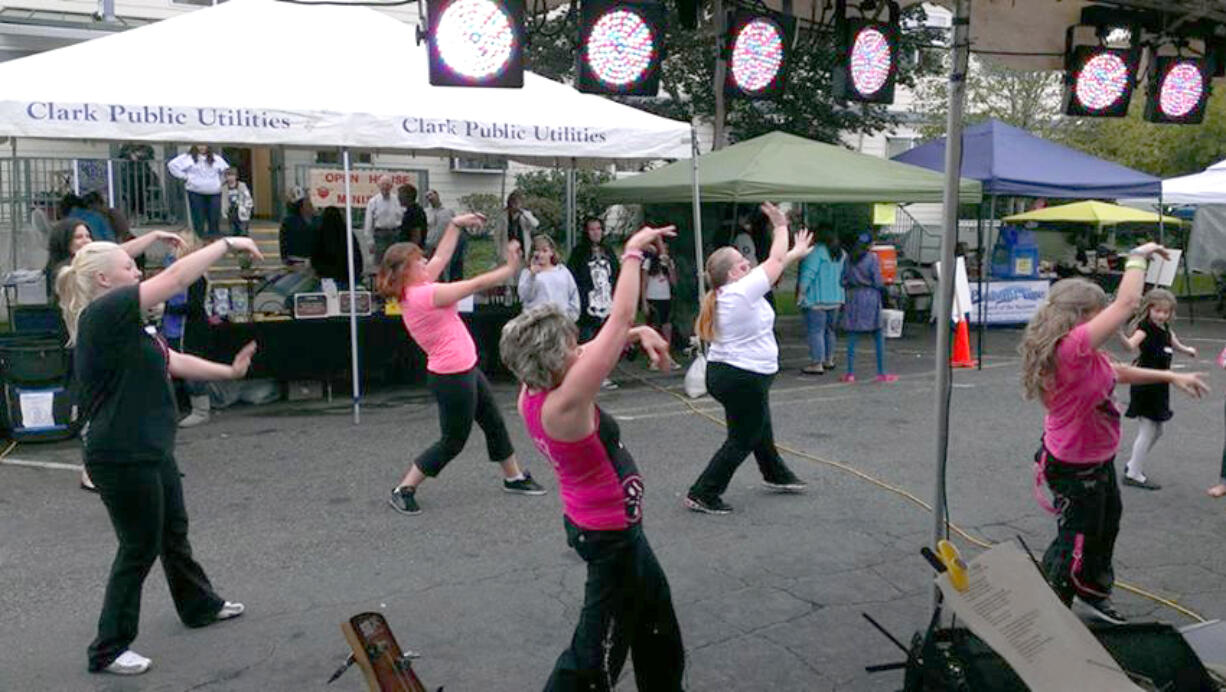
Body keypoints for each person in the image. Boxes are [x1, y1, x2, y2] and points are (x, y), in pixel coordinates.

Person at [57, 235, 263, 675]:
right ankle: (107, 649)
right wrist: (226, 243)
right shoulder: (104, 313)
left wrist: (228, 373)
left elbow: (173, 360)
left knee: (172, 532)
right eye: (129, 269)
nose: (137, 274)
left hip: (150, 446)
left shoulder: (132, 324)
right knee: (138, 547)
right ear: (103, 280)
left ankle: (198, 606)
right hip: (120, 454)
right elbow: (175, 278)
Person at [499, 223, 685, 691]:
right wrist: (632, 254)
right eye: (567, 347)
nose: (576, 349)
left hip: (615, 532)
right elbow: (614, 325)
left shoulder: (536, 386)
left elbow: (599, 343)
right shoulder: (563, 405)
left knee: (656, 622)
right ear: (553, 360)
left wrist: (640, 330)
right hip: (609, 540)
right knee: (593, 655)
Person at [1020, 244, 1207, 623]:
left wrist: (1172, 375)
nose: (1106, 317)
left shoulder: (1087, 354)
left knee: (1105, 527)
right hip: (1075, 466)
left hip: (1096, 459)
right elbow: (1126, 304)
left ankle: (1090, 593)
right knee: (1078, 536)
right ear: (1083, 316)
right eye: (1098, 312)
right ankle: (1051, 607)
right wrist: (1138, 257)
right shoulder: (1071, 347)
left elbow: (1118, 373)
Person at [376, 213, 544, 516]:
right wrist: (509, 267)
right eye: (419, 261)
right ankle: (404, 488)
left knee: (493, 423)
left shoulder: (417, 285)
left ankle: (514, 477)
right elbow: (475, 284)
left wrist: (455, 224)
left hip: (465, 369)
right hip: (451, 376)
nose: (426, 262)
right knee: (452, 441)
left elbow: (442, 255)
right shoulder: (424, 295)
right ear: (406, 270)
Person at [685, 203, 813, 515]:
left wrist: (795, 251)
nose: (748, 265)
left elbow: (777, 263)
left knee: (758, 425)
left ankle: (775, 473)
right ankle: (703, 492)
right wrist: (780, 225)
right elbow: (775, 259)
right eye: (743, 263)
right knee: (743, 437)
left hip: (733, 375)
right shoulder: (740, 292)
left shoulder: (732, 289)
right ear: (732, 273)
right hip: (741, 377)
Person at [46, 220, 185, 491]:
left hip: (112, 347)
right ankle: (92, 468)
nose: (85, 241)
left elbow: (119, 253)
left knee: (132, 406)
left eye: (87, 235)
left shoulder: (98, 267)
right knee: (97, 411)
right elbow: (120, 253)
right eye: (78, 238)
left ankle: (154, 461)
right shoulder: (67, 271)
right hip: (88, 351)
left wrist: (154, 235)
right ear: (65, 243)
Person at [1121, 288, 1196, 490]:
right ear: (1149, 310)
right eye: (1158, 311)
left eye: (1166, 312)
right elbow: (1130, 345)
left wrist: (1187, 350)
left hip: (1160, 384)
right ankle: (1133, 473)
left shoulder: (1164, 328)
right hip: (1145, 383)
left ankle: (1133, 465)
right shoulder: (1144, 328)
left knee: (1158, 430)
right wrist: (1117, 332)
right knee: (1148, 429)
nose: (1162, 315)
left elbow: (1173, 341)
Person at [159, 237, 213, 428]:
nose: (170, 252)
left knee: (192, 369)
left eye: (175, 247)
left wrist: (166, 310)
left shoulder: (195, 276)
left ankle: (200, 410)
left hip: (190, 329)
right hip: (175, 328)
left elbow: (195, 306)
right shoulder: (176, 273)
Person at [568, 217, 620, 390]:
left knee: (605, 342)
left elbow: (617, 274)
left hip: (607, 302)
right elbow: (573, 278)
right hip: (587, 305)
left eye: (598, 228)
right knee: (587, 342)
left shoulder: (608, 250)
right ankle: (585, 377)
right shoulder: (579, 253)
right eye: (592, 229)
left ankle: (602, 375)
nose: (596, 232)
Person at [840, 233, 896, 383]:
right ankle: (881, 372)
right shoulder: (872, 258)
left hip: (853, 297)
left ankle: (850, 373)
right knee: (878, 334)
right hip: (870, 296)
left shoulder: (849, 259)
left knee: (852, 336)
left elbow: (842, 280)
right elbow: (877, 281)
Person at [797, 230, 845, 375]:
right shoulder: (841, 253)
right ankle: (828, 360)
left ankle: (817, 363)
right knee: (830, 330)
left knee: (816, 331)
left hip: (816, 300)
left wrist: (801, 294)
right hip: (836, 299)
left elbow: (808, 275)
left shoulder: (815, 252)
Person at [167, 145, 228, 238]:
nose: (202, 147)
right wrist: (185, 177)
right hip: (195, 192)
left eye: (204, 145)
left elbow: (226, 170)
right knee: (198, 220)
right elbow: (172, 165)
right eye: (199, 145)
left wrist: (220, 182)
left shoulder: (216, 158)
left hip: (214, 192)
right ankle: (198, 243)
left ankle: (214, 243)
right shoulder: (187, 158)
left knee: (214, 219)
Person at [518, 234, 579, 321]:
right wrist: (532, 276)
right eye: (537, 251)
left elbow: (573, 295)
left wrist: (570, 318)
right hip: (536, 323)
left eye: (544, 251)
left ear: (551, 252)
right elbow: (525, 296)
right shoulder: (527, 272)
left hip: (560, 322)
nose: (541, 254)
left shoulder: (563, 271)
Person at [640, 235, 680, 368]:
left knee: (667, 327)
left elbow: (674, 282)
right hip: (652, 297)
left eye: (666, 248)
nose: (664, 250)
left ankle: (667, 356)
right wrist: (644, 301)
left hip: (666, 297)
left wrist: (669, 267)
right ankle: (654, 358)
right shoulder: (649, 261)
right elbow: (644, 282)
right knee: (654, 328)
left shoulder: (669, 262)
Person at [312, 207, 364, 287]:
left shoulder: (320, 235)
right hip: (348, 277)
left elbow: (315, 259)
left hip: (326, 279)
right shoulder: (348, 234)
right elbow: (357, 257)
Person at [363, 175, 403, 267]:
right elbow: (368, 223)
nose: (385, 187)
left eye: (387, 184)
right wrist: (370, 241)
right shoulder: (373, 201)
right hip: (380, 235)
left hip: (396, 234)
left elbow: (402, 217)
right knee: (381, 263)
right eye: (383, 184)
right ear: (379, 186)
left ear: (391, 186)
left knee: (396, 262)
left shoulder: (397, 200)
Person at [279, 186, 317, 265]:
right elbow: (283, 241)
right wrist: (285, 258)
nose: (312, 206)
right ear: (301, 206)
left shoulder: (317, 220)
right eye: (308, 204)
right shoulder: (289, 222)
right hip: (295, 260)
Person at [219, 169, 253, 237]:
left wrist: (247, 208)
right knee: (233, 230)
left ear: (236, 176)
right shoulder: (224, 188)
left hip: (241, 210)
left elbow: (247, 197)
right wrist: (224, 212)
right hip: (231, 211)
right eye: (228, 175)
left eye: (232, 175)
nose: (230, 178)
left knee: (243, 230)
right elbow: (223, 200)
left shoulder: (242, 185)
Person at [505, 190, 539, 257]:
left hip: (522, 247)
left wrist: (525, 214)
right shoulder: (504, 216)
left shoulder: (525, 214)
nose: (515, 205)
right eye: (514, 203)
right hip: (509, 246)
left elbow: (536, 224)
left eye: (518, 203)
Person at [398, 183, 428, 249]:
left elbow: (416, 234)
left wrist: (411, 250)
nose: (398, 198)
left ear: (408, 196)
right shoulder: (409, 211)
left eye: (400, 195)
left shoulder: (415, 212)